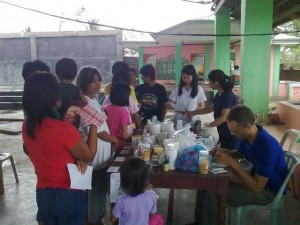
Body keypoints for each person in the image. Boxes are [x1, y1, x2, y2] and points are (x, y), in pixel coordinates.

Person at [189, 105, 288, 225]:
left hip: (268, 191)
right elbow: (240, 154)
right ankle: (199, 222)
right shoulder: (249, 136)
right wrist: (225, 152)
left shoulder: (267, 146)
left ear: (248, 126)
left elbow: (257, 187)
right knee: (206, 184)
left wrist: (232, 163)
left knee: (214, 191)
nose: (232, 134)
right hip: (255, 181)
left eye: (235, 131)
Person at [22, 71, 98, 225]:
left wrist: (76, 158)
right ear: (55, 99)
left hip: (44, 193)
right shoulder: (63, 130)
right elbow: (89, 155)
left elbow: (53, 152)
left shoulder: (27, 125)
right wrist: (94, 124)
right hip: (68, 193)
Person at [76, 65, 118, 225]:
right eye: (93, 81)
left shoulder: (93, 100)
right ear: (84, 82)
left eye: (99, 80)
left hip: (102, 157)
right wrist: (114, 140)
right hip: (94, 159)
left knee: (100, 191)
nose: (97, 84)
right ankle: (94, 220)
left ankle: (97, 218)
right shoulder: (85, 102)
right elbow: (98, 131)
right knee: (96, 192)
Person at [187, 69, 240, 150]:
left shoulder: (228, 96)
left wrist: (207, 127)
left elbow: (223, 118)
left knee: (229, 154)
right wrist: (192, 112)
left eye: (210, 81)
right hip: (222, 132)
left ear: (216, 83)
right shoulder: (219, 94)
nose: (209, 83)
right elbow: (209, 109)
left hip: (230, 133)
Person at [110, 157, 164, 225]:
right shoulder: (152, 196)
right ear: (146, 179)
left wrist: (113, 208)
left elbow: (112, 219)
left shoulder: (121, 200)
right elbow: (152, 214)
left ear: (124, 182)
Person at [104, 82, 132, 155]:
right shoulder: (123, 112)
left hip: (107, 145)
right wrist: (135, 138)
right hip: (120, 147)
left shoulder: (105, 108)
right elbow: (125, 136)